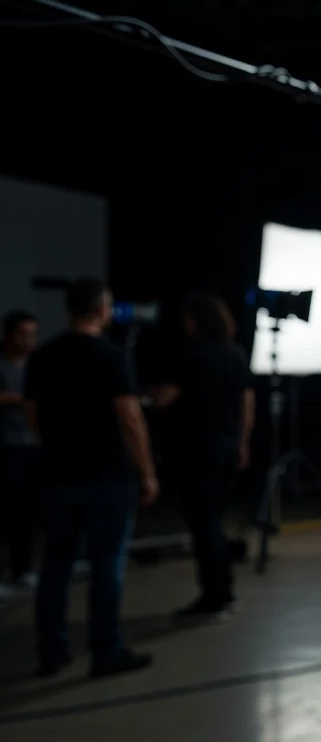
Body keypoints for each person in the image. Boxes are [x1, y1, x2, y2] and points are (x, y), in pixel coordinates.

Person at [26, 278, 158, 677]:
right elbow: (130, 418)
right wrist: (147, 471)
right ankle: (106, 651)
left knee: (56, 566)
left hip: (56, 475)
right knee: (106, 566)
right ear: (101, 308)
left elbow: (31, 415)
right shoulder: (111, 356)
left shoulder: (43, 355)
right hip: (107, 476)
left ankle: (52, 651)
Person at [151, 293, 253, 621]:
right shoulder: (235, 354)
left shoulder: (191, 355)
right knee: (214, 522)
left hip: (197, 449)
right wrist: (243, 442)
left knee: (204, 524)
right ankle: (222, 592)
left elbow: (165, 399)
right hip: (226, 446)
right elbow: (247, 403)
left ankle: (214, 596)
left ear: (195, 320)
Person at [1, 310, 41, 590]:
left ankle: (23, 569)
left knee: (27, 513)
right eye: (22, 333)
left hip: (33, 446)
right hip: (6, 446)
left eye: (32, 333)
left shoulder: (36, 364)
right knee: (5, 510)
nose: (27, 339)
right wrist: (22, 397)